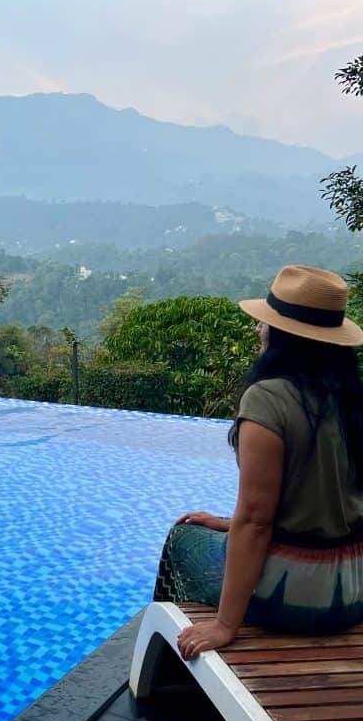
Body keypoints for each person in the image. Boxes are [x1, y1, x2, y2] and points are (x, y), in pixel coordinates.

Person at [153, 265, 363, 661]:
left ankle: (169, 672)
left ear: (283, 335)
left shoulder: (268, 398)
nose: (258, 330)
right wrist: (230, 525)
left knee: (182, 540)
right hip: (353, 591)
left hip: (295, 600)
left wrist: (225, 625)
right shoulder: (351, 398)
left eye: (266, 323)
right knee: (217, 531)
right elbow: (327, 503)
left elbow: (257, 519)